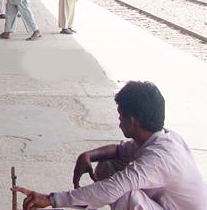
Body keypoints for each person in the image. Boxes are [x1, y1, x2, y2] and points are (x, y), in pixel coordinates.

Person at [13, 81, 207, 209]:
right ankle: (87, 201)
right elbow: (119, 151)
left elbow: (115, 187)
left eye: (120, 116)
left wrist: (50, 199)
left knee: (123, 195)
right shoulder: (161, 138)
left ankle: (87, 201)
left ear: (132, 121)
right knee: (109, 163)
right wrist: (87, 155)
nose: (119, 121)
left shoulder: (159, 158)